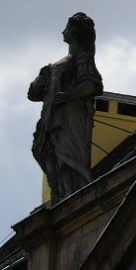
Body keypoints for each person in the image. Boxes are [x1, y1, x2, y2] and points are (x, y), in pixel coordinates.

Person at [28, 12, 103, 201]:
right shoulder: (56, 65)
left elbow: (92, 85)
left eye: (68, 28)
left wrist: (69, 96)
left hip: (71, 115)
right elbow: (33, 94)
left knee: (68, 155)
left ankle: (73, 193)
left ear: (75, 33)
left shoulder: (83, 58)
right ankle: (58, 195)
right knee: (45, 151)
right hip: (51, 117)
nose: (63, 31)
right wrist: (41, 79)